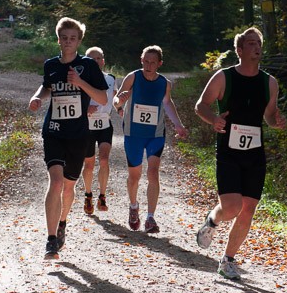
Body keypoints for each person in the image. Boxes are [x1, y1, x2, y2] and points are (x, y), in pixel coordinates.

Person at [193, 27, 287, 280]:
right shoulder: (224, 77)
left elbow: (269, 115)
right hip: (229, 151)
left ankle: (228, 260)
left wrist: (276, 121)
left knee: (248, 208)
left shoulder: (269, 82)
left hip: (255, 154)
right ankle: (212, 220)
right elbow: (201, 106)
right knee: (232, 207)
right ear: (240, 49)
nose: (257, 47)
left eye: (259, 43)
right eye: (251, 43)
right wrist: (214, 119)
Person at [27, 17, 110, 260]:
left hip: (78, 134)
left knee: (69, 186)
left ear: (79, 41)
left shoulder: (88, 65)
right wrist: (37, 97)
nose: (68, 42)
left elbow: (103, 99)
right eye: (64, 38)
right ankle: (51, 239)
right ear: (58, 39)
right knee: (55, 183)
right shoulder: (51, 65)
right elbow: (47, 87)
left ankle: (62, 221)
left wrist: (81, 83)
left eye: (72, 38)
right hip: (53, 131)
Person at [113, 45, 188, 233]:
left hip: (155, 134)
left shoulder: (165, 83)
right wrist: (120, 101)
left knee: (153, 173)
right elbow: (117, 99)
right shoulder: (133, 77)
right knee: (134, 176)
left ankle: (150, 218)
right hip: (134, 134)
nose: (148, 65)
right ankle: (133, 207)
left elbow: (167, 103)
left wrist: (178, 125)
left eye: (152, 62)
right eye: (145, 61)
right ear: (141, 60)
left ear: (159, 64)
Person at [81, 46, 116, 215]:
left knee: (104, 159)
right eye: (91, 59)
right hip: (87, 126)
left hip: (105, 125)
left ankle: (102, 196)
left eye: (98, 58)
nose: (95, 62)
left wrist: (120, 106)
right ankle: (88, 194)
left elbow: (115, 98)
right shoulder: (80, 80)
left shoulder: (111, 78)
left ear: (103, 61)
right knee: (89, 164)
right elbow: (74, 101)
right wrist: (85, 109)